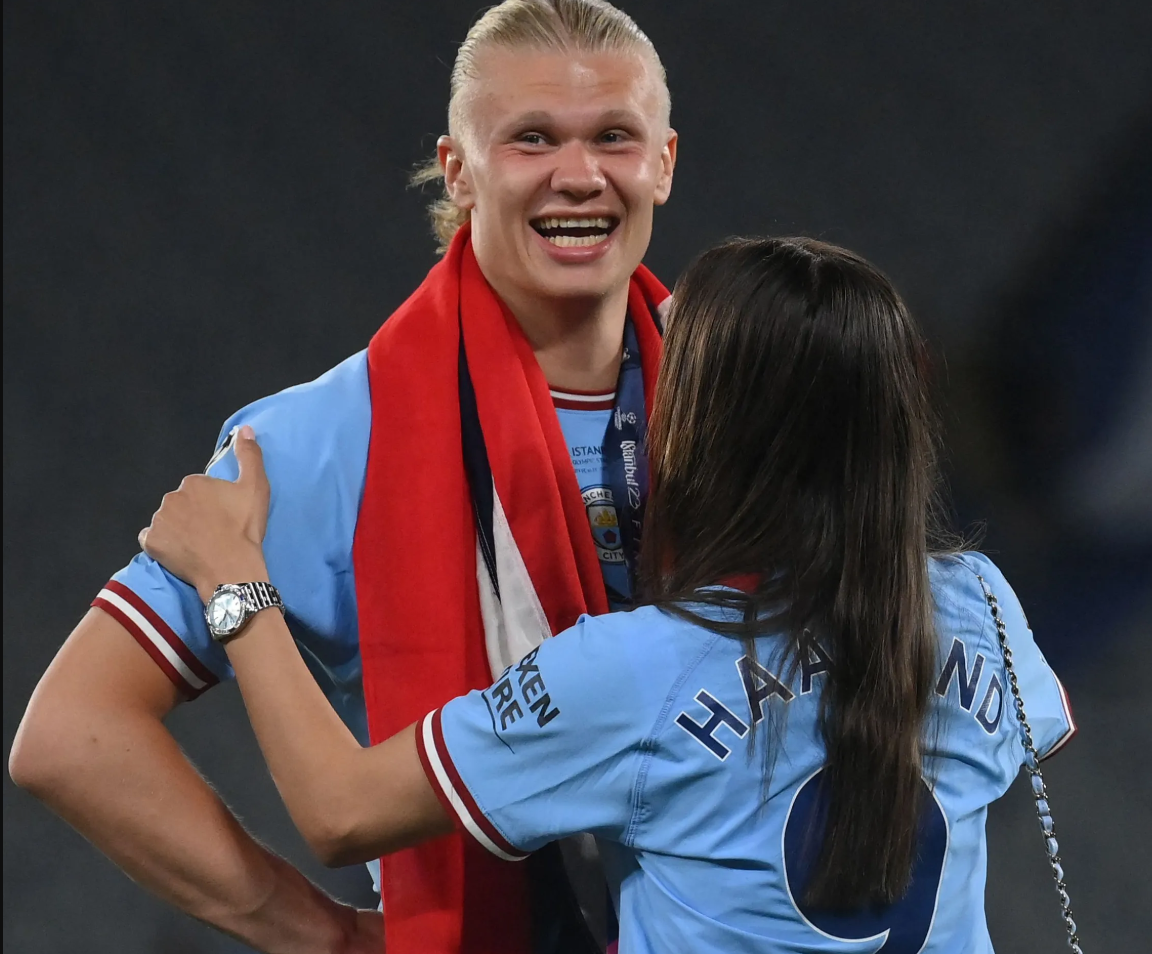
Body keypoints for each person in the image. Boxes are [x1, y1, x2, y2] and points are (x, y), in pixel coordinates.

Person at [135, 236, 1079, 953]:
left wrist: (235, 582)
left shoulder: (635, 669)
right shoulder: (979, 603)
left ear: (709, 426)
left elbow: (341, 810)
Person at [10, 1, 678, 950]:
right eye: (531, 138)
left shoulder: (760, 401)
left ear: (663, 162)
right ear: (458, 168)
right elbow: (72, 735)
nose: (578, 175)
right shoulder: (327, 440)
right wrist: (320, 935)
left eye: (613, 136)